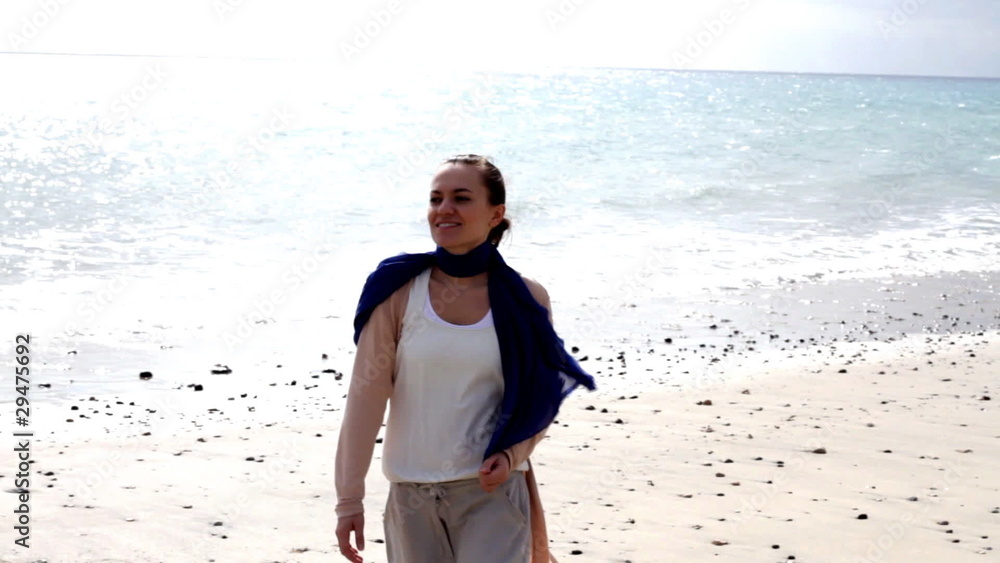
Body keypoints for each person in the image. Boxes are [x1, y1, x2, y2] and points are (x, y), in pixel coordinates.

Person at [335, 154, 596, 563]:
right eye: (435, 199)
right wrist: (349, 499)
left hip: (492, 493)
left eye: (461, 198)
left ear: (496, 214)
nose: (444, 209)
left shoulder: (525, 298)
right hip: (410, 495)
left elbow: (539, 399)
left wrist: (511, 456)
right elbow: (365, 398)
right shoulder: (397, 291)